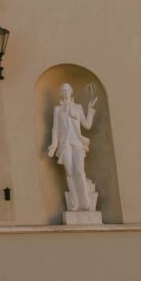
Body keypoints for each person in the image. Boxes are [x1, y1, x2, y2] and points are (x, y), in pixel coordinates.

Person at [47, 83, 97, 211]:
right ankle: (74, 203)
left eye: (68, 89)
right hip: (65, 144)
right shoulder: (58, 110)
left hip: (77, 142)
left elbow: (87, 125)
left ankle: (85, 202)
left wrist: (90, 109)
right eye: (63, 89)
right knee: (70, 173)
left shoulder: (78, 107)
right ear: (60, 93)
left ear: (71, 91)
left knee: (79, 171)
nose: (66, 91)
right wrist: (53, 146)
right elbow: (55, 129)